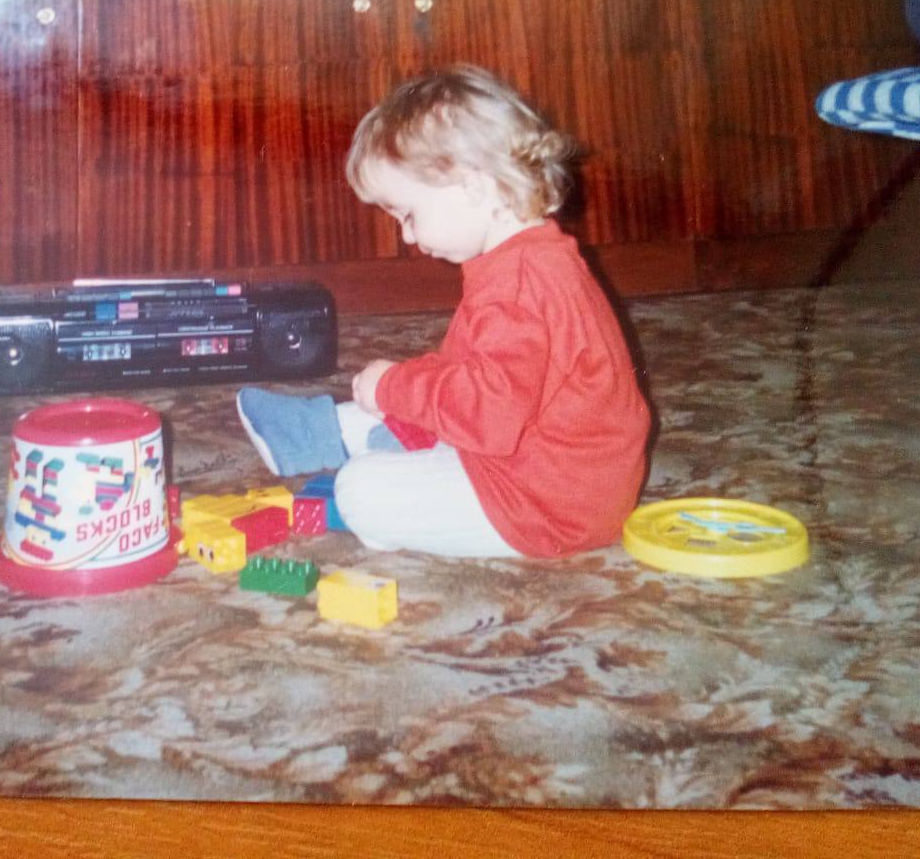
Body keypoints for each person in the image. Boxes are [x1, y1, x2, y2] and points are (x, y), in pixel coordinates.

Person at [236, 64, 650, 558]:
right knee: (406, 398)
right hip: (542, 466)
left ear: (472, 187)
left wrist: (395, 386)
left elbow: (488, 416)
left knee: (359, 488)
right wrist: (402, 387)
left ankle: (364, 453)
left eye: (408, 214)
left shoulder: (517, 286)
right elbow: (477, 374)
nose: (407, 236)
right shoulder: (526, 259)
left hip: (546, 507)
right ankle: (321, 432)